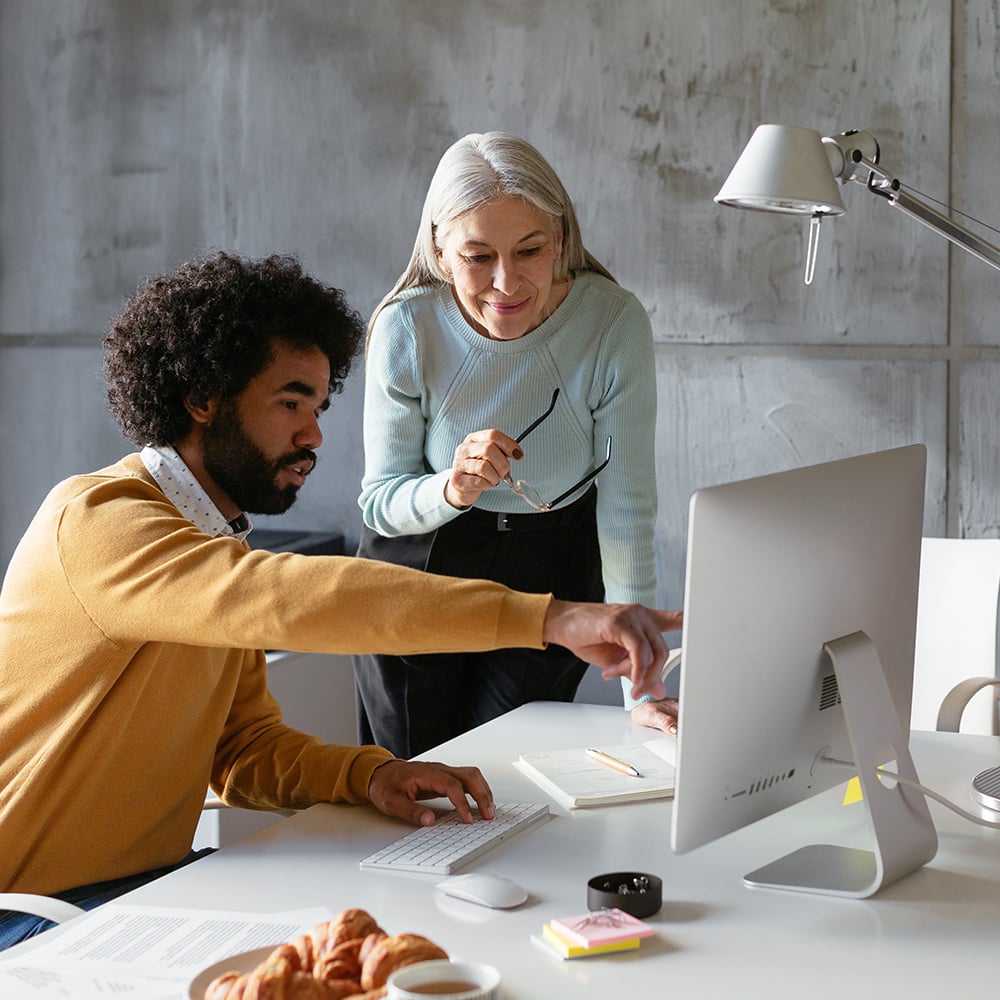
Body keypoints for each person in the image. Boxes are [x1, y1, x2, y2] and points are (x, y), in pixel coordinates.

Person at [0, 250, 678, 952]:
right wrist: (549, 616)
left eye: (319, 408)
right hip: (35, 917)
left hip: (150, 892)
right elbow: (285, 598)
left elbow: (241, 751)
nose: (314, 436)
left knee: (403, 944)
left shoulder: (207, 551)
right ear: (203, 398)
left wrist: (372, 775)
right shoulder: (99, 520)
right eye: (290, 403)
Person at [354, 131, 679, 759]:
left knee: (513, 770)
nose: (506, 283)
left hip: (554, 558)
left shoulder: (613, 324)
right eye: (478, 257)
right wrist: (450, 488)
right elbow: (380, 504)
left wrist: (644, 691)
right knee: (415, 776)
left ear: (559, 238)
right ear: (441, 252)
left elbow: (626, 510)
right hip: (423, 561)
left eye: (529, 250)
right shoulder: (406, 327)